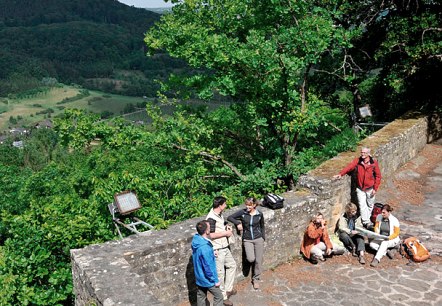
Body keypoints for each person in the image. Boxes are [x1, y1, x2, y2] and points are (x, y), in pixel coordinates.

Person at [333, 147, 382, 228]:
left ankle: (367, 219)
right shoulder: (358, 161)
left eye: (364, 153)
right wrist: (340, 174)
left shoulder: (374, 163)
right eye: (362, 152)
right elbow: (350, 167)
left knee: (370, 205)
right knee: (362, 205)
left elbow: (378, 176)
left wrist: (375, 189)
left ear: (368, 154)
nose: (362, 154)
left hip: (370, 188)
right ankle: (366, 222)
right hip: (360, 188)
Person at [227, 197, 265, 290]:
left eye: (249, 205)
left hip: (258, 239)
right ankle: (251, 268)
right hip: (247, 239)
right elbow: (230, 217)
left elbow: (262, 226)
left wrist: (263, 238)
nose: (247, 207)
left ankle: (256, 279)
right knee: (251, 258)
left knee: (258, 261)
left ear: (254, 205)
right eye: (246, 205)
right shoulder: (243, 213)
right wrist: (237, 223)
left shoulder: (259, 214)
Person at [206, 196, 237, 306]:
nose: (226, 205)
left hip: (224, 246)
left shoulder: (218, 214)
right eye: (224, 204)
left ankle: (228, 290)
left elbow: (218, 226)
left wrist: (225, 226)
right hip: (218, 249)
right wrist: (226, 233)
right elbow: (210, 235)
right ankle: (223, 297)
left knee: (232, 265)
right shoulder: (211, 218)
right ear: (220, 205)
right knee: (220, 274)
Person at [191, 221, 223, 306]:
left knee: (201, 296)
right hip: (208, 279)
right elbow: (208, 267)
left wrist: (211, 253)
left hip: (199, 277)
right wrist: (215, 280)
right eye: (209, 228)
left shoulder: (197, 240)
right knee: (219, 297)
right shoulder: (205, 248)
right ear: (207, 231)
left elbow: (201, 257)